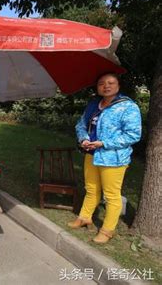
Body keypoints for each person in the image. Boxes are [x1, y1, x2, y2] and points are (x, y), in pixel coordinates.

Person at [68, 73, 141, 244]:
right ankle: (85, 217)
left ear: (118, 85)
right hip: (91, 154)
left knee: (111, 196)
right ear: (97, 87)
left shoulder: (128, 107)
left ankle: (108, 230)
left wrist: (104, 143)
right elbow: (81, 124)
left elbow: (133, 135)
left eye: (111, 83)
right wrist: (84, 139)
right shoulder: (94, 104)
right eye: (101, 83)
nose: (106, 86)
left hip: (113, 158)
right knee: (91, 188)